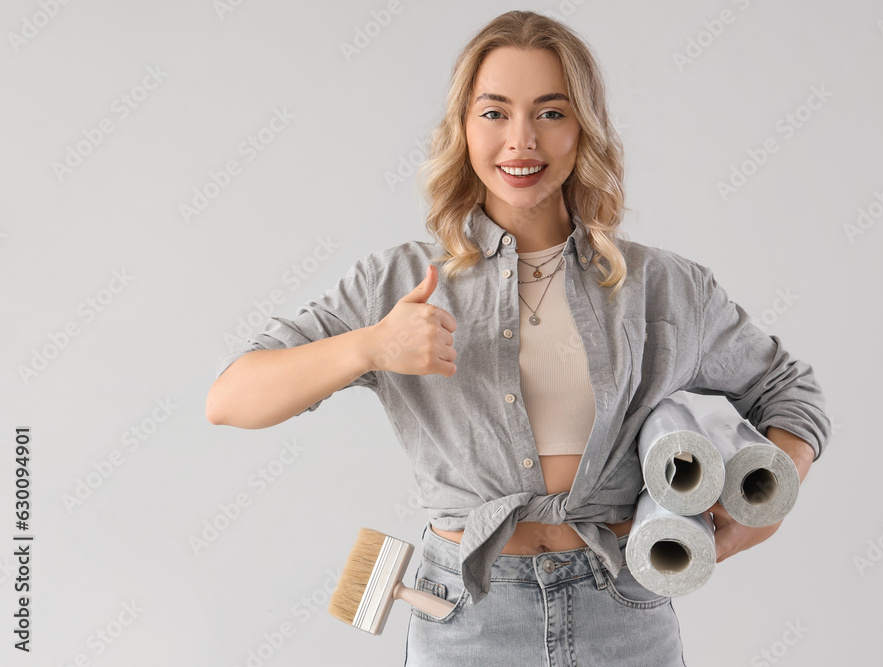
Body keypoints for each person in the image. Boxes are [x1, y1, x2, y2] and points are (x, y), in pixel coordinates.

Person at [206, 10, 831, 666]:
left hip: (623, 608)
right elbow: (230, 398)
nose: (521, 140)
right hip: (466, 617)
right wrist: (370, 347)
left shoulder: (663, 285)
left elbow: (791, 392)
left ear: (584, 127)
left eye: (551, 112)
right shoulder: (395, 281)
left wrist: (748, 517)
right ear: (464, 126)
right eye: (495, 112)